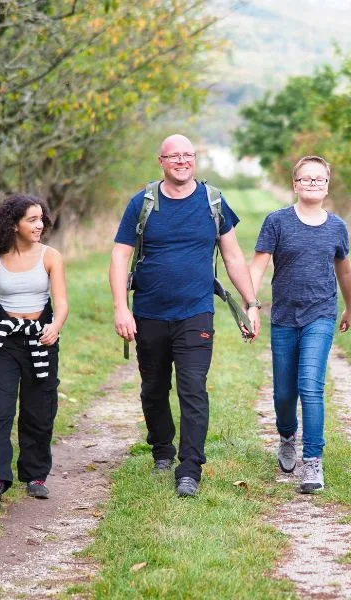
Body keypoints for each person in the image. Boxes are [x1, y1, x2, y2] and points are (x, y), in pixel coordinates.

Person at [110, 134, 260, 498]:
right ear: (161, 161)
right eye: (174, 156)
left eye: (188, 155)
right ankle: (162, 447)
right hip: (149, 312)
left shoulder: (213, 201)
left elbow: (233, 257)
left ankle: (190, 467)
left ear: (195, 160)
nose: (182, 161)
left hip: (196, 312)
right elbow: (119, 255)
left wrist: (250, 304)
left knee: (193, 389)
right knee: (154, 388)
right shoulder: (143, 203)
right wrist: (120, 307)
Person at [249, 155, 351, 493]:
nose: (312, 184)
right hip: (283, 317)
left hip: (320, 314)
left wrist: (349, 307)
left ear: (327, 185)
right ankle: (286, 435)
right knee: (283, 393)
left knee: (311, 386)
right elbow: (257, 267)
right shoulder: (277, 222)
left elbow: (345, 272)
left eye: (319, 179)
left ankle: (313, 463)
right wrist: (251, 306)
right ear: (295, 184)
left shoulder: (337, 226)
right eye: (305, 179)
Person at [0, 194, 68, 508]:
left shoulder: (50, 256)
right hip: (3, 343)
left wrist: (55, 326)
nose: (40, 224)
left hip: (41, 339)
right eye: (32, 219)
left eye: (41, 218)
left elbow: (61, 302)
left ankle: (35, 476)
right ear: (14, 224)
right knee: (0, 407)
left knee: (39, 409)